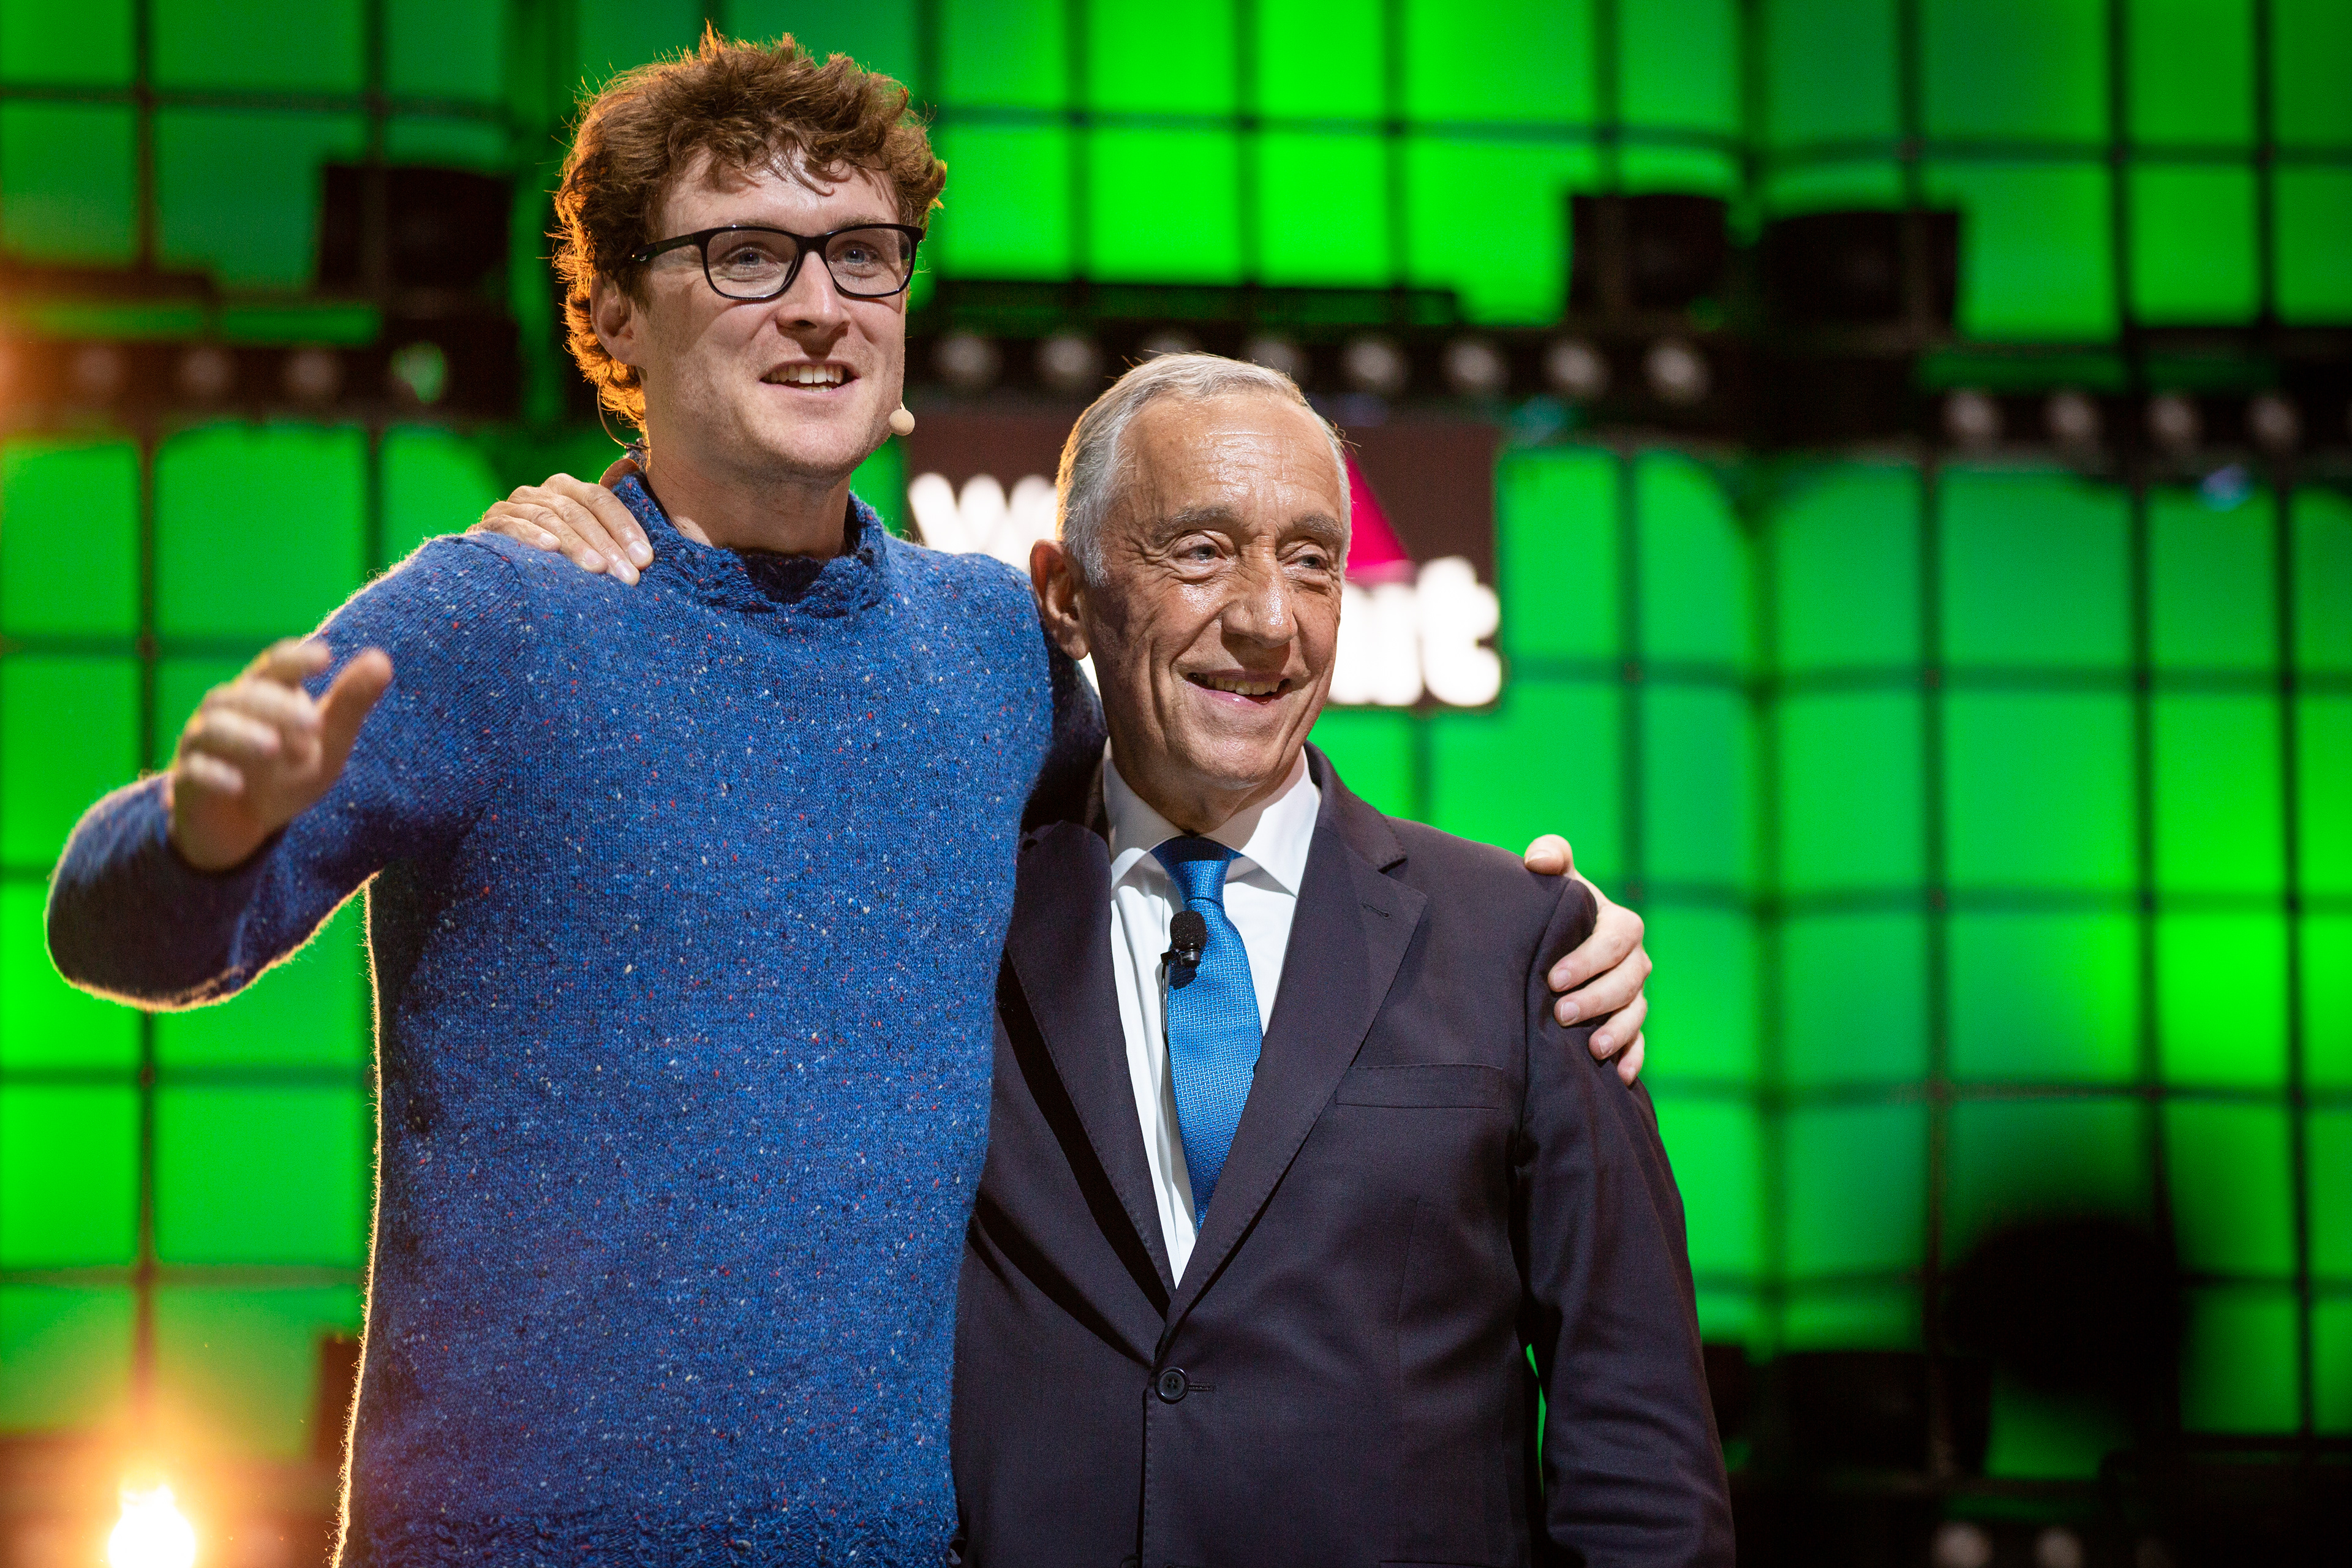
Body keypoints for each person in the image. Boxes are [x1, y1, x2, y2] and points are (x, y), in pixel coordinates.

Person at [45, 34, 1653, 1563]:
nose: (818, 305)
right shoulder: (489, 621)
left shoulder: (988, 650)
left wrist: (1506, 934)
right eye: (745, 255)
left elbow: (1228, 783)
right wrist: (202, 828)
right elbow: (121, 931)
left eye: (860, 255)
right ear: (611, 323)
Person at [951, 353, 1733, 1566]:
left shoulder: (1524, 943)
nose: (1270, 618)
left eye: (1312, 558)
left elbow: (1636, 1442)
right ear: (1066, 596)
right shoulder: (951, 922)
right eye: (1202, 550)